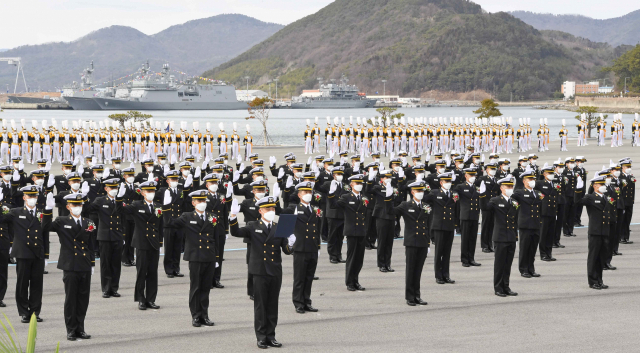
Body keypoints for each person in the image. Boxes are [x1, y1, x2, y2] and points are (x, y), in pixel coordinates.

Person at [229, 196, 294, 349]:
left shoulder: (280, 227)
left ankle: (271, 336)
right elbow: (236, 232)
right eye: (267, 209)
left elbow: (286, 250)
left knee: (272, 305)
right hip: (259, 271)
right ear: (260, 211)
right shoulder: (253, 226)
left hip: (275, 271)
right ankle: (261, 337)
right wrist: (233, 217)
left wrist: (291, 244)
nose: (271, 211)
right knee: (260, 306)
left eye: (273, 208)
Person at [42, 193, 94, 341]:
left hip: (84, 265)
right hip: (70, 265)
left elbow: (90, 245)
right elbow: (45, 227)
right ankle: (71, 329)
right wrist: (47, 210)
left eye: (80, 205)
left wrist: (92, 263)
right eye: (75, 205)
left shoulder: (88, 222)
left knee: (83, 299)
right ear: (68, 206)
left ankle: (80, 329)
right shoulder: (61, 221)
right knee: (71, 299)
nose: (78, 207)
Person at [163, 189, 217, 327]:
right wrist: (166, 208)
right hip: (195, 256)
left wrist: (216, 257)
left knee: (206, 288)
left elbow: (215, 236)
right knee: (196, 287)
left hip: (209, 256)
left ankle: (205, 315)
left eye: (204, 201)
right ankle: (196, 316)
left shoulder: (212, 216)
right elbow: (170, 223)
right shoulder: (187, 216)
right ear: (193, 203)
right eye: (199, 201)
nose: (202, 203)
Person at [0, 185, 50, 323]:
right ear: (24, 198)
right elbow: (2, 220)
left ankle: (35, 312)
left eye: (34, 196)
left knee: (36, 285)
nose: (32, 199)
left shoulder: (41, 213)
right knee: (22, 284)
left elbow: (46, 232)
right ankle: (23, 312)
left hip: (37, 253)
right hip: (23, 253)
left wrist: (46, 255)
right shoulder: (16, 212)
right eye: (29, 196)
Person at [281, 182, 321, 313]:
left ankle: (306, 301)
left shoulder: (315, 209)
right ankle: (298, 302)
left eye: (310, 192)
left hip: (312, 248)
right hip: (300, 248)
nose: (308, 194)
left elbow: (317, 229)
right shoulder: (294, 208)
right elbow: (283, 225)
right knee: (299, 278)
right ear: (299, 195)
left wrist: (318, 246)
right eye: (305, 192)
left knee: (309, 277)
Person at [388, 181, 430, 306]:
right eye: (418, 191)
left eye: (422, 191)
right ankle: (410, 296)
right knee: (411, 270)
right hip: (411, 242)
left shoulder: (426, 206)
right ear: (412, 192)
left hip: (422, 242)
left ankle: (417, 295)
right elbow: (391, 211)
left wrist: (428, 243)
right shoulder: (405, 205)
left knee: (418, 270)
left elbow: (427, 225)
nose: (420, 193)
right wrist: (387, 198)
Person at [122, 181, 162, 311]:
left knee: (152, 272)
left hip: (154, 243)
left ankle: (151, 299)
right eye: (148, 191)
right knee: (141, 272)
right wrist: (118, 198)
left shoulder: (158, 206)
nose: (151, 193)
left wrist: (160, 242)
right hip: (141, 243)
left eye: (152, 191)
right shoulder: (137, 204)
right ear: (143, 193)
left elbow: (160, 225)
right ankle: (141, 299)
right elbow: (122, 209)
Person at [86, 178, 126, 298]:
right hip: (105, 236)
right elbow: (88, 209)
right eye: (111, 188)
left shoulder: (120, 201)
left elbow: (123, 218)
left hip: (117, 236)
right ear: (106, 189)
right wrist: (84, 197)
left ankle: (114, 288)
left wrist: (123, 235)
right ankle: (106, 288)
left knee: (116, 264)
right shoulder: (100, 200)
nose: (114, 190)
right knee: (105, 264)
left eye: (116, 188)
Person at [479, 175, 519, 297]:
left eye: (511, 186)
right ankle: (498, 288)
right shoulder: (495, 200)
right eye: (508, 186)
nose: (510, 188)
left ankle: (506, 286)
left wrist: (516, 237)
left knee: (508, 264)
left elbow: (515, 220)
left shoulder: (514, 202)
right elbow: (485, 208)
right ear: (502, 188)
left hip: (511, 237)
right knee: (499, 264)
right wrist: (481, 195)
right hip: (500, 237)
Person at [328, 174, 368, 291]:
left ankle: (356, 281)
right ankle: (349, 282)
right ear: (351, 185)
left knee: (359, 258)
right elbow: (334, 205)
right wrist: (331, 194)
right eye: (357, 183)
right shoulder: (346, 197)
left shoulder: (364, 198)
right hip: (351, 231)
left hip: (361, 231)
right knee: (352, 257)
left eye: (361, 183)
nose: (359, 185)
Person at [575, 176, 613, 289]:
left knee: (601, 257)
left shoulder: (606, 197)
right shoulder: (590, 197)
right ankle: (592, 281)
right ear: (595, 186)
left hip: (604, 231)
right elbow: (577, 202)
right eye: (601, 185)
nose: (603, 186)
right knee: (593, 257)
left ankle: (599, 280)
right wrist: (578, 190)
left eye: (603, 184)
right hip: (595, 231)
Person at [425, 172, 457, 284]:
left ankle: (446, 275)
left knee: (447, 252)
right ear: (441, 182)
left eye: (449, 181)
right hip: (439, 226)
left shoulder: (453, 194)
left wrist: (456, 225)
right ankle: (438, 276)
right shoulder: (435, 193)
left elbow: (456, 210)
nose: (448, 183)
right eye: (446, 181)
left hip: (449, 225)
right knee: (439, 252)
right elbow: (424, 200)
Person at [511, 169, 542, 278]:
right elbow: (511, 202)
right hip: (525, 224)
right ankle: (523, 269)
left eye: (533, 179)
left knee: (533, 248)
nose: (532, 181)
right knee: (525, 248)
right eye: (530, 179)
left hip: (536, 224)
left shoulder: (538, 193)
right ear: (524, 181)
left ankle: (531, 268)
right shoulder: (519, 192)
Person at [454, 167, 481, 267]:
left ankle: (471, 258)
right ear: (466, 176)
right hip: (465, 216)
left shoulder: (476, 187)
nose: (473, 177)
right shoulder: (461, 186)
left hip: (474, 215)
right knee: (465, 239)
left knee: (473, 238)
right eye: (471, 175)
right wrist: (455, 196)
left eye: (474, 175)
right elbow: (454, 192)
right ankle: (465, 259)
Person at [535, 165, 559, 262]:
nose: (551, 175)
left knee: (550, 234)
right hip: (544, 212)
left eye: (552, 173)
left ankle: (549, 253)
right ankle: (543, 254)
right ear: (544, 174)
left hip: (552, 212)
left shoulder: (554, 184)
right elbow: (534, 190)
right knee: (543, 234)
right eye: (549, 173)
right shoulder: (540, 183)